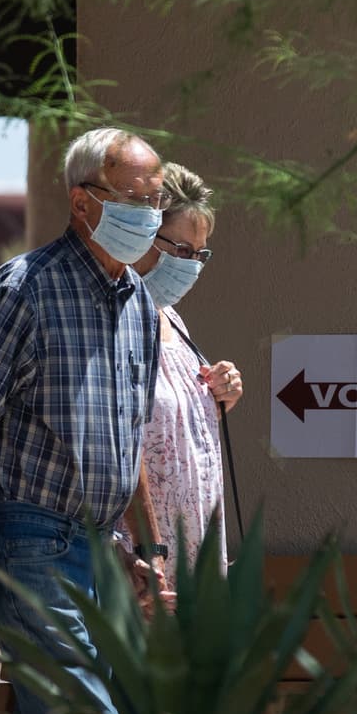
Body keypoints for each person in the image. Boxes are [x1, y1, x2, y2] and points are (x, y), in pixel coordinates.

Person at [0, 127, 167, 714]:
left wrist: (149, 552)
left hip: (101, 547)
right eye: (133, 197)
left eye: (156, 197)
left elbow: (134, 437)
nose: (149, 213)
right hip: (29, 540)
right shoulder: (26, 288)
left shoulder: (141, 308)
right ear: (82, 201)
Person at [123, 163, 243, 584]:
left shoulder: (174, 321)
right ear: (143, 235)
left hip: (198, 559)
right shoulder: (110, 320)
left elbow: (175, 430)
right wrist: (142, 555)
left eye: (200, 254)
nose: (191, 265)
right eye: (181, 250)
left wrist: (220, 394)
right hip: (141, 564)